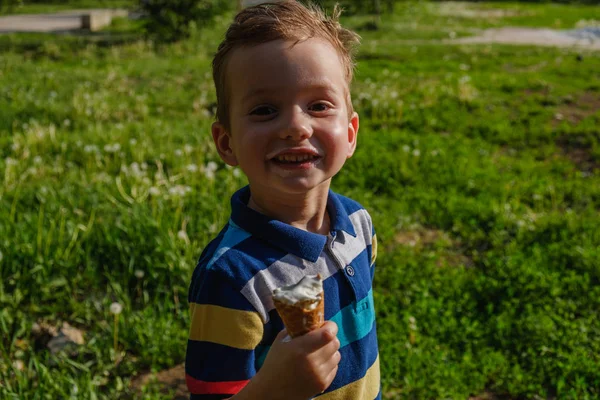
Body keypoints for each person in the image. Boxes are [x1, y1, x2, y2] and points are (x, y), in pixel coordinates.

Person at [185, 1, 380, 399]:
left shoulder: (359, 224)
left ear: (350, 132)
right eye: (264, 110)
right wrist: (274, 389)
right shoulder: (232, 278)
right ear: (227, 143)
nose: (295, 126)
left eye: (319, 106)